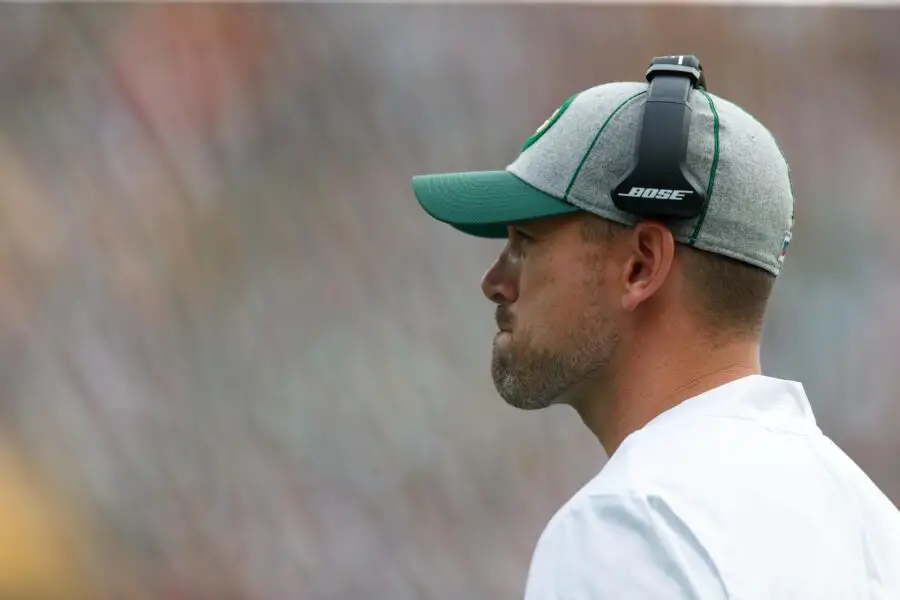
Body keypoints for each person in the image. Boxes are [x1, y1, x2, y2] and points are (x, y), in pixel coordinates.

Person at [410, 56, 900, 599]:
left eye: (526, 241)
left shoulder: (627, 524)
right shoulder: (874, 525)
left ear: (641, 265)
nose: (495, 281)